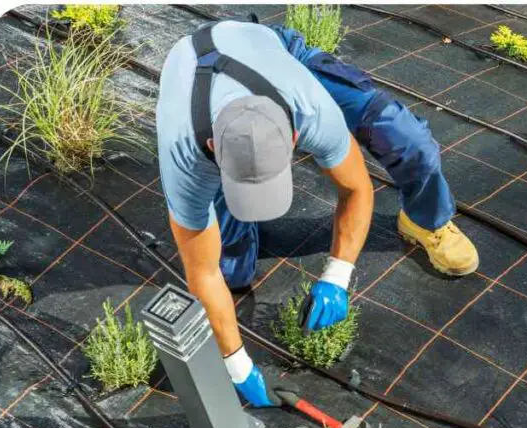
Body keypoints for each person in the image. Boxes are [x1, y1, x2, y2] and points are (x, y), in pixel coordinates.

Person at [156, 20, 478, 408]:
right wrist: (238, 365)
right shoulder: (184, 155)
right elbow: (201, 272)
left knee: (407, 139)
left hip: (274, 53)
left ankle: (426, 220)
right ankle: (238, 218)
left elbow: (356, 188)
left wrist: (337, 276)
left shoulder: (309, 108)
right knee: (228, 272)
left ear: (295, 139)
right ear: (213, 149)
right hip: (196, 77)